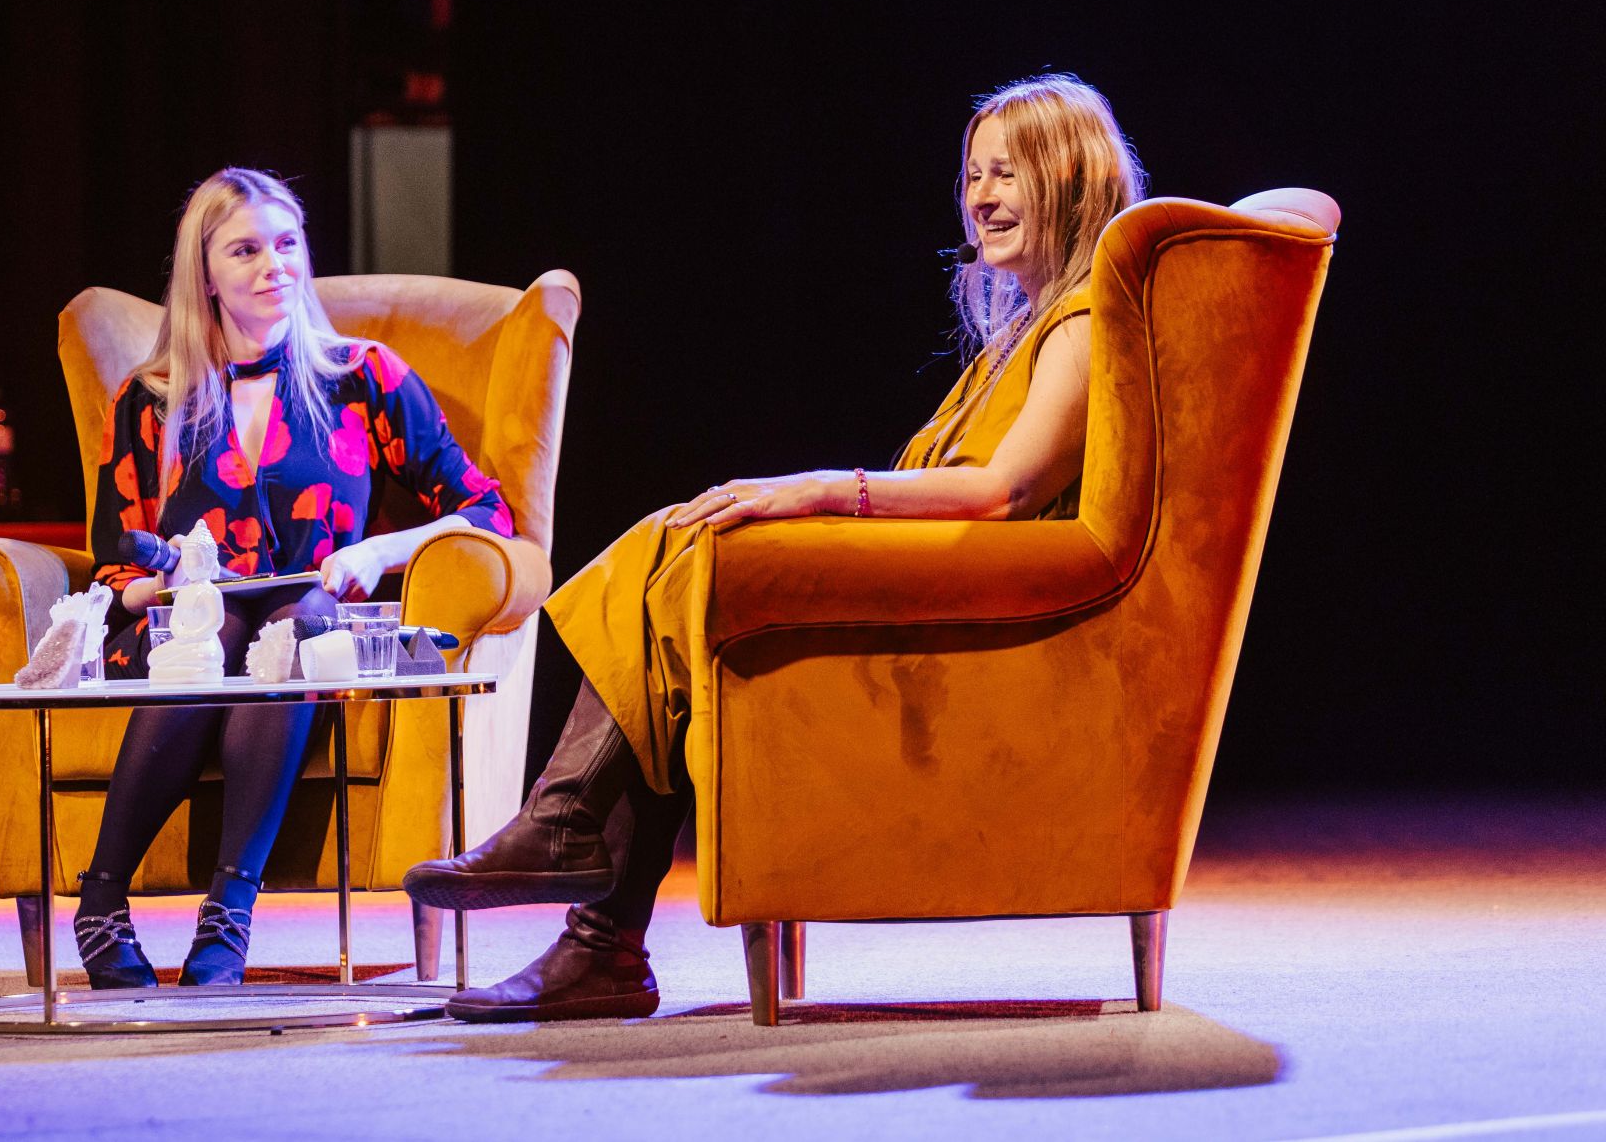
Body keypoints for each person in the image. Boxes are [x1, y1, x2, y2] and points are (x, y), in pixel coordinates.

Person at [403, 72, 1146, 1021]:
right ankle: (593, 917)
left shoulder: (1080, 324)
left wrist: (825, 489)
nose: (983, 197)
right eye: (973, 175)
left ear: (1073, 178)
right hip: (939, 587)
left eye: (1009, 173)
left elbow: (1005, 493)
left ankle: (576, 860)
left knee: (689, 551)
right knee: (678, 551)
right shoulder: (1027, 331)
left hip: (976, 618)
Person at [76, 167, 513, 990]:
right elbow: (113, 562)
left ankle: (228, 910)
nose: (274, 264)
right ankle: (101, 898)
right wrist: (158, 587)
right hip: (180, 636)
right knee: (219, 624)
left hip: (311, 632)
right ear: (206, 273)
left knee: (299, 617)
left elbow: (486, 511)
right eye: (246, 250)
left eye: (286, 243)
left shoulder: (362, 376)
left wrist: (380, 553)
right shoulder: (149, 399)